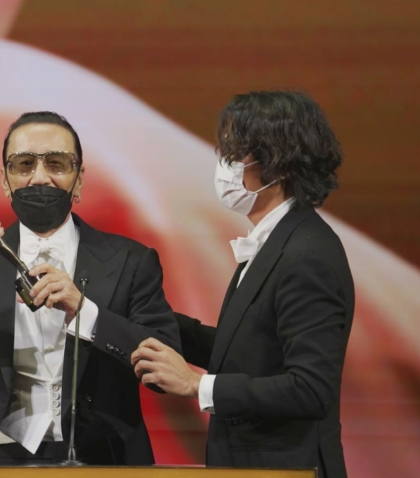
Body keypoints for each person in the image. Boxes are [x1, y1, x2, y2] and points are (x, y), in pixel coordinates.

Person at [0, 111, 181, 465]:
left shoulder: (131, 260)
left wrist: (85, 312)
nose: (39, 177)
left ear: (79, 179)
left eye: (56, 163)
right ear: (5, 180)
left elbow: (166, 365)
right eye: (23, 164)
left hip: (102, 459)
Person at [131, 91, 354, 477]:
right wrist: (147, 316)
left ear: (279, 163)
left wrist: (197, 385)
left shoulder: (307, 252)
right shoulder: (277, 240)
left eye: (235, 152)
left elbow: (310, 388)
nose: (224, 165)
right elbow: (247, 351)